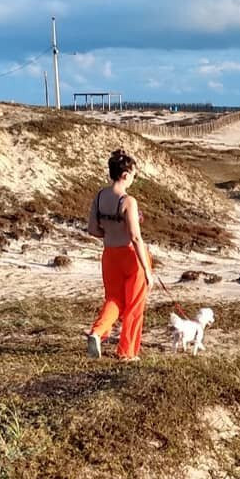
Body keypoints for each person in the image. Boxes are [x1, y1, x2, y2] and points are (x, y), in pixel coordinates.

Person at [85, 149, 155, 361]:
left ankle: (97, 332)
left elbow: (92, 230)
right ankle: (127, 352)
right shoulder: (128, 201)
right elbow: (135, 237)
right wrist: (147, 271)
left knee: (114, 299)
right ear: (125, 175)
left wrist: (111, 230)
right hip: (131, 256)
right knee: (134, 305)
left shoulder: (99, 197)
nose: (134, 178)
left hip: (110, 254)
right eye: (134, 174)